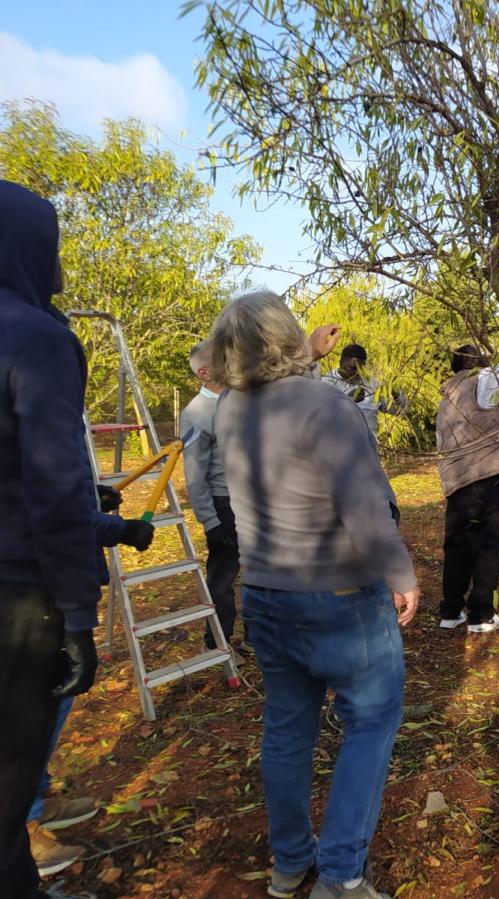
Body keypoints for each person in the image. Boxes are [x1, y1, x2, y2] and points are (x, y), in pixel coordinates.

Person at [210, 291, 419, 899]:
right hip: (341, 596)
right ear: (288, 337)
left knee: (286, 728)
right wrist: (402, 575)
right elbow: (366, 508)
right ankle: (343, 876)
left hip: (268, 595)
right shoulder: (325, 403)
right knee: (371, 721)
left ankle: (289, 863)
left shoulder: (229, 409)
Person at [0, 179, 101, 899]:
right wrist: (78, 614)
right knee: (9, 770)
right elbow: (53, 487)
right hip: (16, 596)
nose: (60, 269)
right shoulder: (37, 337)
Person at [28, 485, 156, 878]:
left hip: (45, 590)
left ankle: (35, 798)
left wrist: (88, 499)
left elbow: (57, 503)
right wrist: (119, 529)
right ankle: (17, 826)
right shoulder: (31, 426)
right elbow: (52, 517)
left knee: (53, 701)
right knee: (27, 710)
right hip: (28, 592)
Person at [436, 344, 499, 632]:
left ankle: (450, 610)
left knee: (458, 544)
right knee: (488, 544)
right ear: (469, 362)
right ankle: (481, 614)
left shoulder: (448, 397)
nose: (486, 357)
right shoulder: (482, 382)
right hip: (490, 475)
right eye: (478, 354)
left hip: (458, 480)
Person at [180, 340, 245, 663]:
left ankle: (259, 635)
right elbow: (194, 476)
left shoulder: (240, 398)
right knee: (222, 577)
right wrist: (211, 522)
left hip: (251, 502)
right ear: (204, 372)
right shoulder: (196, 414)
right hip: (224, 506)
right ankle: (218, 642)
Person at [322, 344, 408, 441]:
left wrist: (396, 395)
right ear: (341, 361)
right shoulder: (325, 384)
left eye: (360, 369)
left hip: (368, 448)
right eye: (351, 368)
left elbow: (400, 411)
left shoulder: (372, 385)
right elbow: (320, 418)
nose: (355, 373)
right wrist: (347, 401)